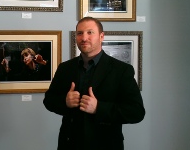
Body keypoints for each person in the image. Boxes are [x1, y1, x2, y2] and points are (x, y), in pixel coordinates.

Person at [43, 16, 145, 150]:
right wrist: (65, 102)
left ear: (101, 36)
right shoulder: (65, 68)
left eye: (90, 32)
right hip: (69, 145)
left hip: (106, 145)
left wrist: (99, 108)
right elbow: (49, 100)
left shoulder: (121, 70)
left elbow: (136, 112)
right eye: (80, 33)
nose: (84, 38)